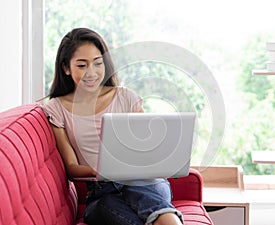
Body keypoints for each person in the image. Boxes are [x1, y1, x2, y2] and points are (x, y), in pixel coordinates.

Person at [41, 27, 183, 225]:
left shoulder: (125, 97)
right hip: (101, 190)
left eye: (98, 63)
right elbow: (72, 168)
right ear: (66, 68)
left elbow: (147, 148)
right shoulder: (56, 108)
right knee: (103, 209)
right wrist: (99, 169)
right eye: (82, 65)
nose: (92, 72)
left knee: (158, 208)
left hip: (142, 180)